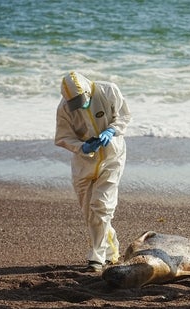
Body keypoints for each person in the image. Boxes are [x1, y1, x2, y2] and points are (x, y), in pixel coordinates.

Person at [55, 71, 131, 272]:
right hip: (84, 164)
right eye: (74, 102)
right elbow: (63, 136)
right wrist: (82, 147)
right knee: (90, 212)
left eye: (82, 100)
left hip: (112, 158)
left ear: (88, 90)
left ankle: (96, 257)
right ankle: (110, 249)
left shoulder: (108, 91)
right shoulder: (65, 107)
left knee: (102, 206)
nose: (79, 105)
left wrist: (111, 131)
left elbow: (124, 116)